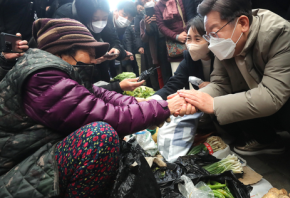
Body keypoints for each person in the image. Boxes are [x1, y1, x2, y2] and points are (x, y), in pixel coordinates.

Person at [0, 18, 196, 198]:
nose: (94, 60)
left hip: (36, 159)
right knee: (100, 136)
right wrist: (163, 108)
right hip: (15, 175)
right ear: (63, 51)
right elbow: (105, 115)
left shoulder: (56, 73)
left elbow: (102, 96)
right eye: (89, 53)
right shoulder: (43, 77)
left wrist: (154, 104)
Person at [177, 0, 290, 190]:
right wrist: (192, 99)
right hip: (269, 94)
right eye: (208, 35)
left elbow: (272, 95)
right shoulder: (227, 44)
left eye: (214, 33)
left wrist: (212, 103)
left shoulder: (280, 33)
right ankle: (268, 141)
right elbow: (220, 84)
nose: (211, 40)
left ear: (242, 23)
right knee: (229, 101)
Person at [53, 0, 127, 85]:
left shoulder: (105, 17)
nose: (100, 23)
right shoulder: (65, 17)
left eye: (104, 18)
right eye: (95, 19)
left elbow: (113, 39)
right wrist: (90, 59)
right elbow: (63, 55)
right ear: (84, 16)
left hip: (101, 69)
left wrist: (117, 49)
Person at [153, 16, 213, 100]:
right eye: (188, 39)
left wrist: (213, 86)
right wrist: (153, 100)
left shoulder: (220, 58)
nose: (191, 44)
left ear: (210, 39)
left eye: (197, 39)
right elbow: (173, 84)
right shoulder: (189, 59)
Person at [152, 0, 187, 75]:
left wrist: (187, 33)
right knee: (178, 79)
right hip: (174, 46)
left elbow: (189, 14)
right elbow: (161, 26)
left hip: (190, 38)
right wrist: (176, 36)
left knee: (194, 79)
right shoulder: (158, 6)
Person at [138, 0, 172, 88]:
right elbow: (144, 39)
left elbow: (172, 26)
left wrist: (159, 21)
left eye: (146, 0)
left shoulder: (164, 10)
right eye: (142, 2)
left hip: (171, 45)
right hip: (157, 50)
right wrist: (147, 26)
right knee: (163, 75)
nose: (145, 3)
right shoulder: (143, 21)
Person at [113, 1, 142, 75]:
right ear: (116, 10)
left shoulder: (124, 27)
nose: (126, 19)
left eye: (130, 18)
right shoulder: (108, 22)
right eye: (124, 14)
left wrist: (123, 52)